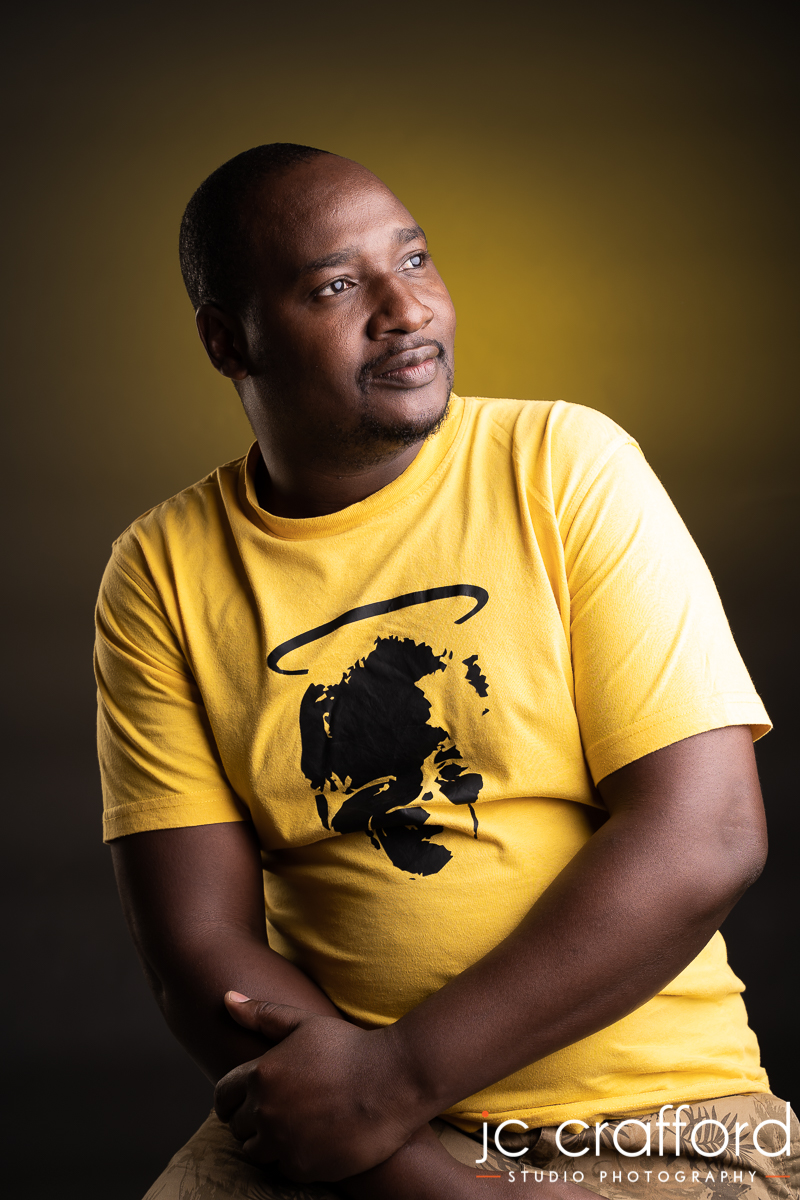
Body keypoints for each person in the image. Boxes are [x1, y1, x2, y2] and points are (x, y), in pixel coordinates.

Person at [95, 143, 798, 1200]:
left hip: (650, 1118)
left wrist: (391, 1081)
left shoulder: (565, 466)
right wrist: (406, 1161)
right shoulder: (161, 569)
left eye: (415, 259)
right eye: (337, 286)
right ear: (226, 341)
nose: (407, 309)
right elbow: (196, 941)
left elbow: (709, 834)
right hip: (339, 1132)